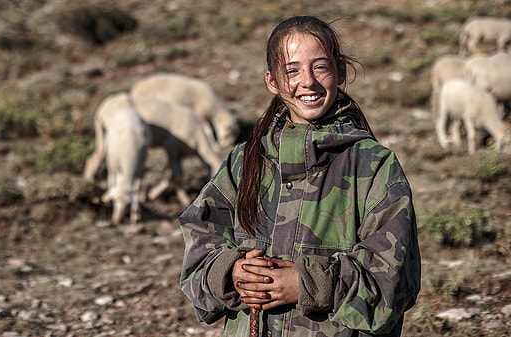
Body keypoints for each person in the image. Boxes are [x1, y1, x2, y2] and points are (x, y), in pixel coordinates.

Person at [179, 15, 421, 337]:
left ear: (340, 73)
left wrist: (305, 285)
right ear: (272, 81)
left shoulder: (373, 166)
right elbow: (197, 256)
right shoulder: (243, 162)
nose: (307, 81)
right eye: (292, 70)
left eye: (320, 67)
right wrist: (233, 273)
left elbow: (395, 283)